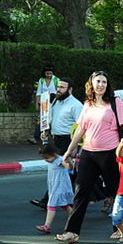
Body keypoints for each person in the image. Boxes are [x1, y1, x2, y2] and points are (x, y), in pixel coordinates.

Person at [55, 72, 123, 244]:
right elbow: (81, 129)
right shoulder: (87, 104)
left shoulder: (115, 103)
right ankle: (72, 231)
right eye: (98, 82)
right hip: (88, 152)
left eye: (104, 82)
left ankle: (121, 229)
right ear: (91, 84)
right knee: (80, 191)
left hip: (110, 152)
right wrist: (69, 150)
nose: (101, 85)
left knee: (115, 191)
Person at [33, 78, 82, 209]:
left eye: (62, 87)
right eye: (58, 86)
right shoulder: (55, 101)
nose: (58, 90)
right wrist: (47, 131)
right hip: (56, 139)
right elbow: (52, 118)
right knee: (67, 172)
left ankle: (48, 200)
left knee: (59, 169)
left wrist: (75, 146)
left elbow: (81, 127)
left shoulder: (76, 105)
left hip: (68, 140)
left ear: (70, 90)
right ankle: (78, 197)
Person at [35, 143, 74, 235]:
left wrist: (70, 161)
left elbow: (69, 168)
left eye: (47, 158)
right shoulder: (52, 161)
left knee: (51, 205)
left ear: (54, 154)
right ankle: (74, 222)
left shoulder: (60, 160)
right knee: (65, 206)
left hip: (60, 187)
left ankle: (47, 225)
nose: (46, 160)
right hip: (54, 186)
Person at [34, 67, 59, 145]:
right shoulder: (41, 80)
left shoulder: (56, 80)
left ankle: (53, 136)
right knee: (42, 120)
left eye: (50, 73)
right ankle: (39, 137)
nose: (49, 75)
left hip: (53, 103)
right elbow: (38, 93)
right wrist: (37, 104)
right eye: (47, 73)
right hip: (44, 103)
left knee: (52, 120)